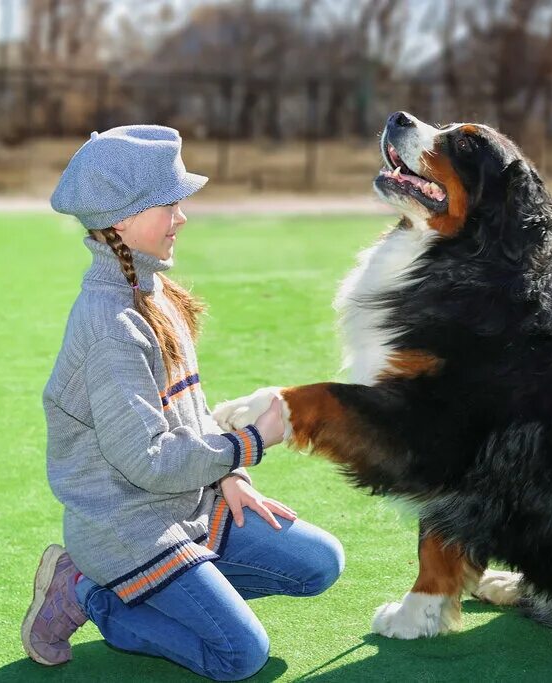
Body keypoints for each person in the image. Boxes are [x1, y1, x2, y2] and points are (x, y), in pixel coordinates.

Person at [19, 125, 343, 680]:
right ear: (122, 219)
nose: (182, 217)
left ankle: (172, 588)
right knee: (241, 656)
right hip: (130, 530)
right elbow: (148, 461)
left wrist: (229, 475)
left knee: (320, 563)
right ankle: (91, 592)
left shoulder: (155, 290)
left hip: (191, 505)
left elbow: (187, 409)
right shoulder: (110, 324)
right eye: (168, 204)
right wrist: (252, 441)